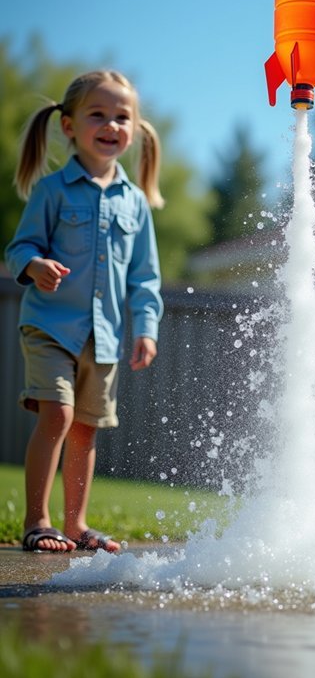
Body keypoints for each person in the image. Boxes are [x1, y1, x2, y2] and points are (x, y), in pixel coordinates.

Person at [5, 70, 164, 553]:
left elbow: (145, 277)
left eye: (122, 117)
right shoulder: (52, 191)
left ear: (134, 130)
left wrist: (147, 329)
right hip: (51, 327)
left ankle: (76, 525)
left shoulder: (134, 203)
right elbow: (19, 247)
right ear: (70, 126)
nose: (111, 124)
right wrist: (34, 265)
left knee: (85, 429)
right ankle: (38, 521)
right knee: (58, 414)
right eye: (98, 114)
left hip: (106, 336)